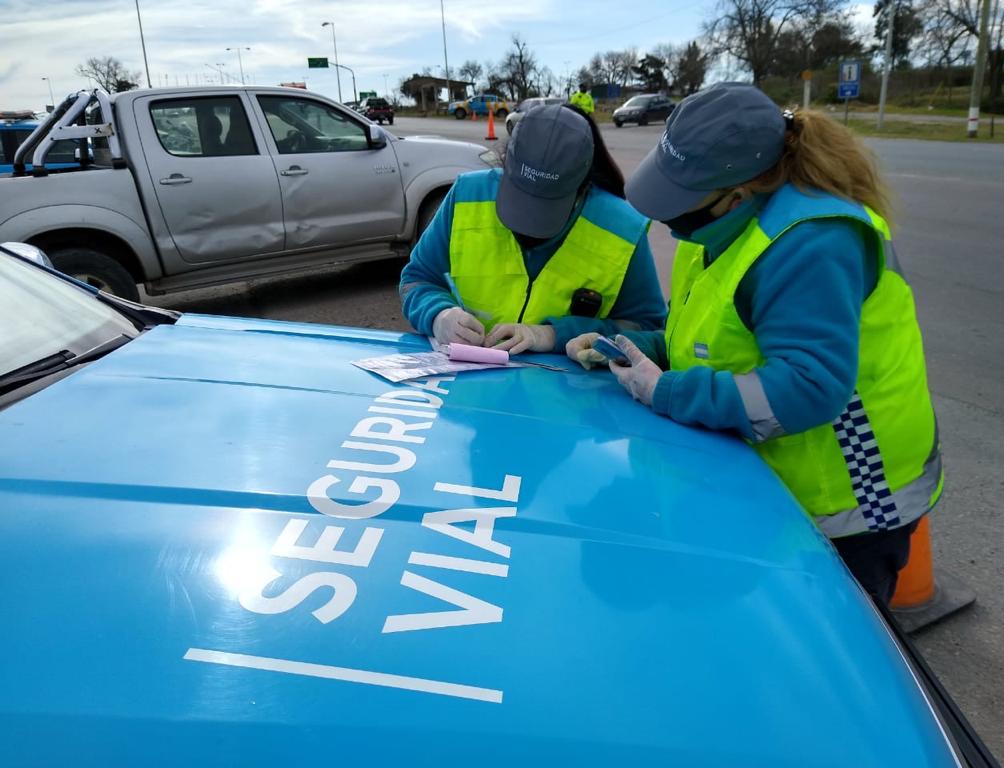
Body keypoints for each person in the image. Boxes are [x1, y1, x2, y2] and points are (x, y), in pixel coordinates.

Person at [566, 83, 942, 604]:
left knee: (828, 654)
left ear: (739, 194)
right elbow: (711, 340)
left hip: (850, 501)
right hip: (776, 481)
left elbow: (810, 386)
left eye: (681, 202)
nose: (669, 221)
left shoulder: (812, 241)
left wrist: (667, 392)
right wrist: (633, 348)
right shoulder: (720, 229)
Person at [400, 104, 665, 354]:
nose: (529, 225)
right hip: (470, 389)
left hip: (567, 396)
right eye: (522, 199)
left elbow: (649, 330)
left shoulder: (622, 228)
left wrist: (554, 335)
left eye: (547, 207)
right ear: (505, 165)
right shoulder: (466, 195)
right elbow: (417, 278)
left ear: (582, 188)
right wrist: (438, 315)